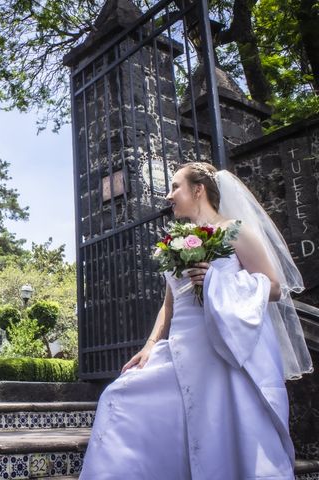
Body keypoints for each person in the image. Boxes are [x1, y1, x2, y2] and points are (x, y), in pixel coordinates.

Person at [80, 162, 313, 480]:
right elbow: (169, 303)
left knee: (224, 430)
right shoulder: (177, 240)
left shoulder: (235, 230)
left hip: (222, 349)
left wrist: (218, 281)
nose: (168, 195)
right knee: (119, 397)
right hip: (178, 348)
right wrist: (149, 346)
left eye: (175, 186)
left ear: (198, 189)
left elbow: (272, 286)